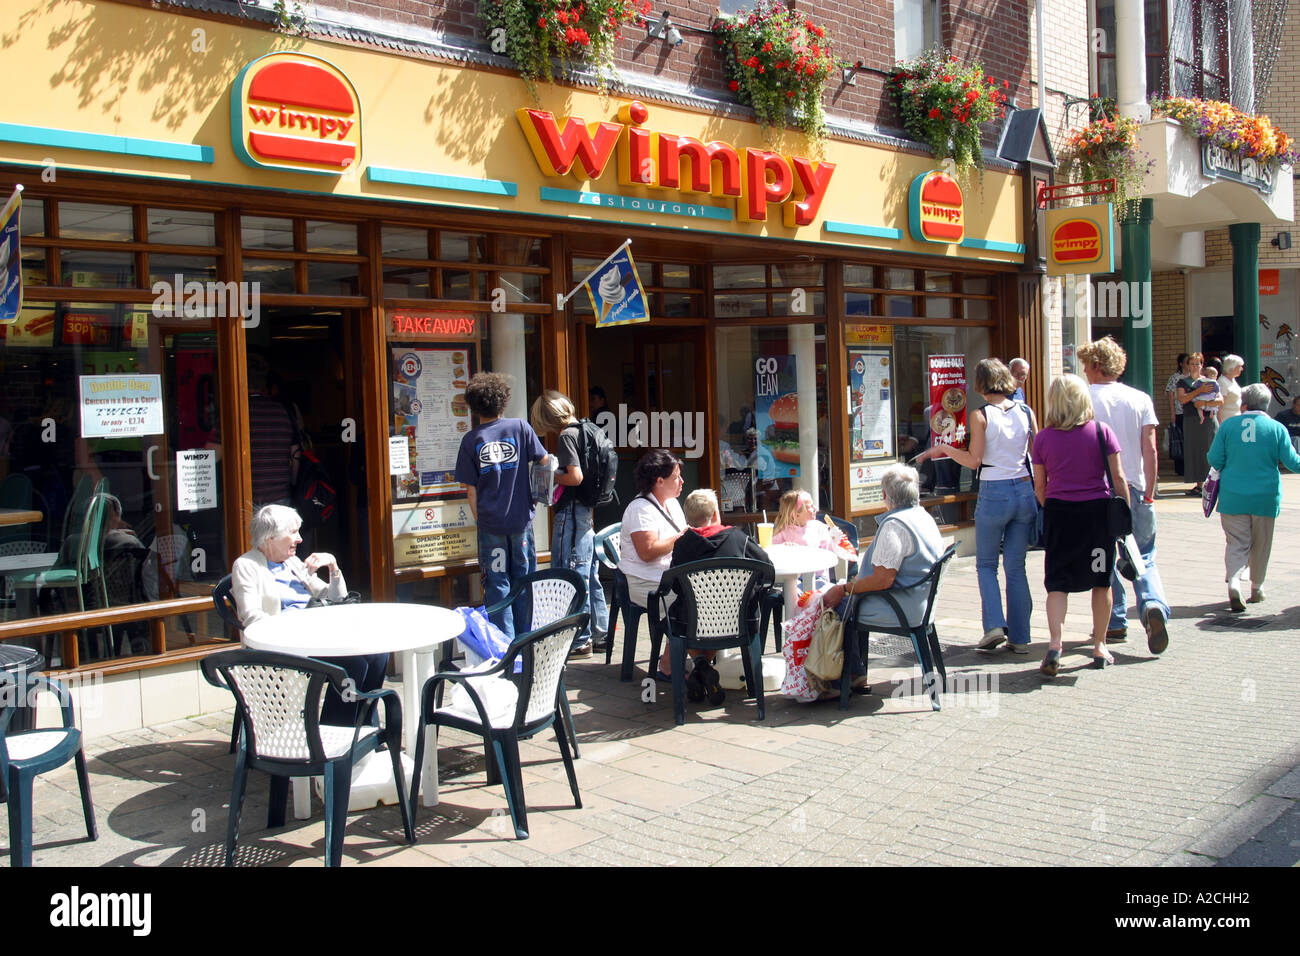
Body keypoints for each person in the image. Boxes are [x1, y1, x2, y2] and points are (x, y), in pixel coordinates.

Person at [914, 358, 1037, 654]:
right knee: (1016, 567)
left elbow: (974, 460)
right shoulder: (1025, 410)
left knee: (986, 564)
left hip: (994, 489)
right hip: (1023, 488)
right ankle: (1021, 638)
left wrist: (943, 449)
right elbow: (1036, 455)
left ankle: (994, 625)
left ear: (981, 384)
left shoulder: (980, 415)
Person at [231, 504, 385, 725]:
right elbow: (251, 617)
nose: (300, 538)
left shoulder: (291, 563)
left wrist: (333, 566)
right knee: (353, 665)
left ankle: (365, 727)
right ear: (270, 537)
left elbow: (336, 598)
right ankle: (336, 733)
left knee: (378, 654)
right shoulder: (246, 566)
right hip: (283, 648)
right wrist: (295, 627)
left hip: (316, 638)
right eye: (293, 532)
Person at [1078, 337, 1171, 654]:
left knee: (1102, 554)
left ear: (1095, 365)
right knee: (1143, 552)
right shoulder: (1139, 398)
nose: (1085, 372)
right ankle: (1151, 604)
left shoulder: (1084, 398)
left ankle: (1114, 621)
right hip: (1135, 483)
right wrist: (1150, 489)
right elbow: (1151, 448)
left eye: (1086, 365)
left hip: (1097, 488)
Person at [1032, 374, 1128, 675]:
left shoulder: (1044, 438)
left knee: (1057, 582)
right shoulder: (1102, 432)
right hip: (1096, 516)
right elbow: (1119, 477)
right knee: (1101, 580)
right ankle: (1099, 645)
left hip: (1060, 514)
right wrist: (1124, 510)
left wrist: (1054, 506)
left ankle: (1055, 645)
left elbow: (1039, 485)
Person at [821, 465, 946, 691]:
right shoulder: (923, 516)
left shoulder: (895, 526)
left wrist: (844, 589)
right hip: (921, 602)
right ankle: (855, 673)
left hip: (900, 606)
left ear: (885, 496)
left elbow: (882, 580)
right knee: (847, 598)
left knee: (835, 606)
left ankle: (845, 677)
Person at [454, 372, 550, 640]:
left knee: (497, 584)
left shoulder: (471, 440)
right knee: (524, 579)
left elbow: (470, 490)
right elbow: (544, 462)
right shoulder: (520, 428)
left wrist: (480, 520)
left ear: (473, 406)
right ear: (503, 401)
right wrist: (537, 495)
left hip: (490, 524)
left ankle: (503, 644)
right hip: (520, 521)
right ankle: (526, 639)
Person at [664, 489, 774, 705]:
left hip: (693, 622)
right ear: (716, 513)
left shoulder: (682, 544)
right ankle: (704, 668)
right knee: (717, 613)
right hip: (737, 620)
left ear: (688, 518)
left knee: (685, 613)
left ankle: (701, 666)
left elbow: (675, 585)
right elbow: (766, 568)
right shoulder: (739, 538)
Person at [1207, 383, 1300, 611]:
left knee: (1236, 542)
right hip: (1265, 496)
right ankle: (1257, 587)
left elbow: (1214, 459)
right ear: (1267, 405)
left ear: (1243, 405)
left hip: (1232, 495)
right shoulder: (1276, 428)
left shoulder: (1228, 426)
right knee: (1261, 543)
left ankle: (1235, 582)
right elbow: (1292, 462)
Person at [529, 390, 608, 659]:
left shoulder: (566, 436)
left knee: (569, 573)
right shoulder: (588, 427)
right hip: (586, 510)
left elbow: (574, 477)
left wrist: (549, 473)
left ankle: (579, 640)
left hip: (571, 512)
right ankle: (601, 633)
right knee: (589, 572)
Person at [618, 449, 686, 679]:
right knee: (694, 600)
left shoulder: (673, 504)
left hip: (669, 574)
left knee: (708, 594)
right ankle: (668, 664)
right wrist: (683, 539)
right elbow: (647, 553)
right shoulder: (640, 509)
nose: (682, 481)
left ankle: (695, 655)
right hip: (644, 581)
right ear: (659, 481)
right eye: (676, 477)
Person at [247, 352, 300, 507]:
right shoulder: (283, 411)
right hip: (280, 498)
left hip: (245, 498)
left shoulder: (236, 413)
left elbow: (213, 454)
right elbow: (296, 453)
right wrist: (292, 484)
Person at [771, 488, 846, 589]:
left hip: (818, 578)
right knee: (794, 594)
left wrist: (835, 540)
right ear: (795, 514)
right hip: (793, 579)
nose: (815, 508)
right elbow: (772, 553)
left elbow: (830, 553)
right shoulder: (783, 532)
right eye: (810, 506)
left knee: (821, 592)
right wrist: (783, 548)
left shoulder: (819, 528)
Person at [1176, 353, 1220, 495]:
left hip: (1208, 420)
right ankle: (1199, 484)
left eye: (1198, 363)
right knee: (1195, 450)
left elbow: (1220, 400)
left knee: (1209, 449)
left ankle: (1211, 484)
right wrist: (1199, 391)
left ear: (1202, 365)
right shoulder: (1182, 382)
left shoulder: (1209, 381)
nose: (1195, 366)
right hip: (1191, 420)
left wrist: (1205, 403)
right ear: (1187, 365)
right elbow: (1182, 399)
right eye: (1192, 363)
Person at [1164, 353, 1189, 476]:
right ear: (1181, 364)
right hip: (1180, 412)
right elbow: (1170, 395)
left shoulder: (1193, 377)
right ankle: (1180, 468)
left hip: (1192, 413)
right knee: (1179, 440)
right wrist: (1172, 413)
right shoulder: (1175, 377)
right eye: (1186, 362)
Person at [1217, 354, 1245, 423]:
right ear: (1232, 367)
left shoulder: (1233, 380)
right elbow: (1219, 407)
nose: (1242, 369)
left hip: (1235, 420)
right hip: (1226, 421)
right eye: (1239, 366)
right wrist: (1220, 425)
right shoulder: (1222, 382)